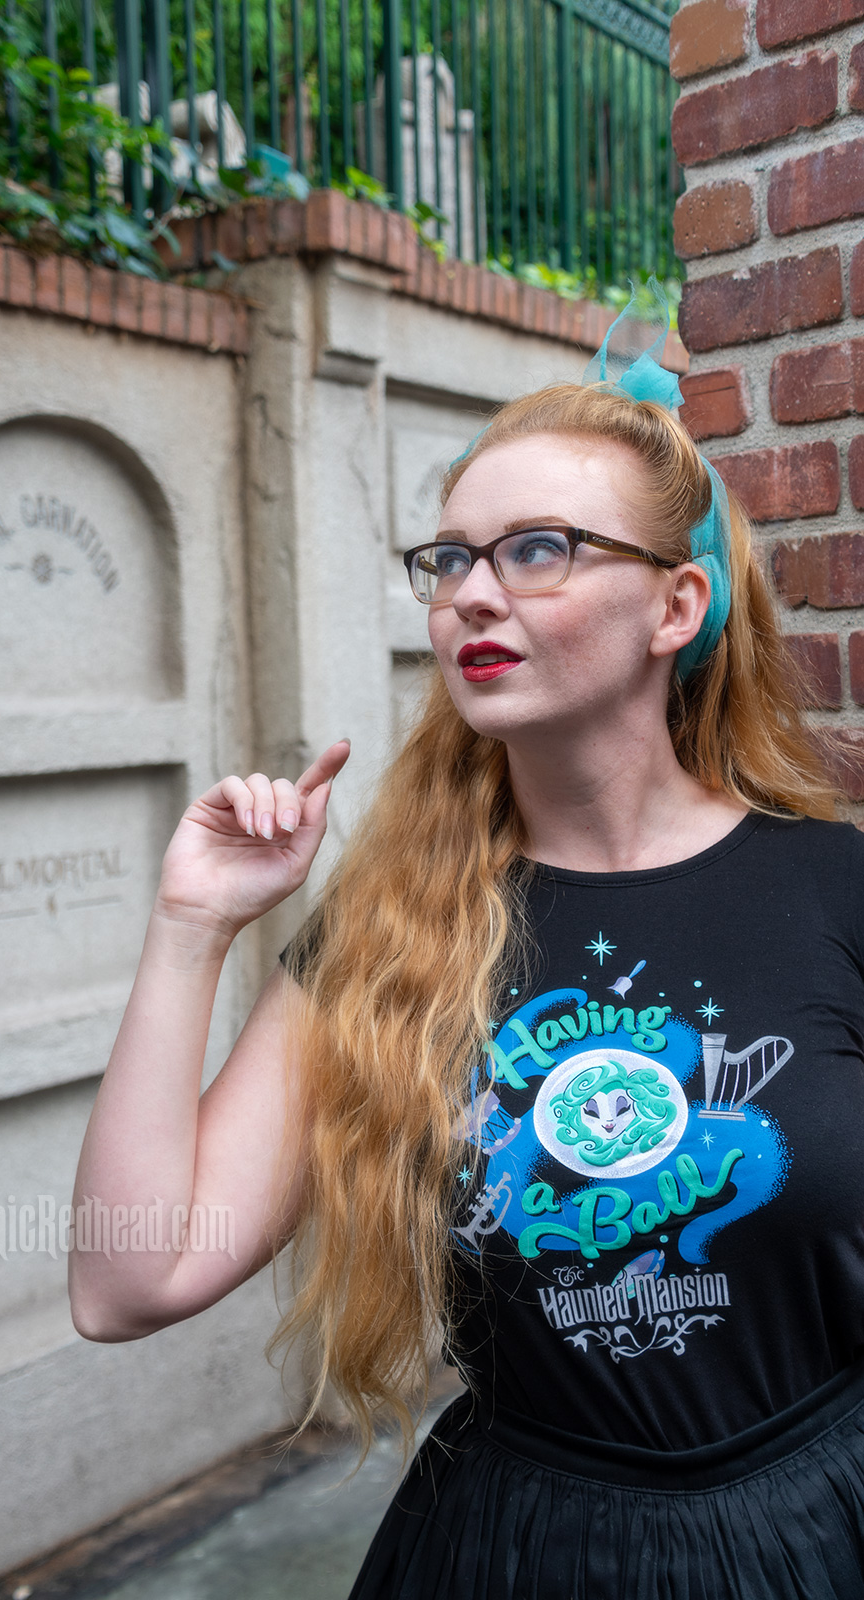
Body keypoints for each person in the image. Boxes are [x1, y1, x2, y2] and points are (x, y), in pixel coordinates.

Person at [70, 293, 864, 1598]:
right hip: (523, 1551)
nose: (473, 596)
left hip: (820, 1532)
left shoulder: (835, 887)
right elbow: (129, 1279)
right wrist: (191, 927)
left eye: (538, 550)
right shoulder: (393, 931)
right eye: (451, 559)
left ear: (676, 606)